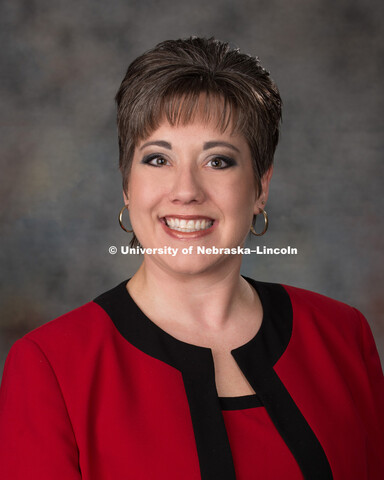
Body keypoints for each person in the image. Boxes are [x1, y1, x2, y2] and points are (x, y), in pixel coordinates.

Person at [0, 37, 383, 480]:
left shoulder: (342, 336)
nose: (186, 191)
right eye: (158, 158)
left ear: (261, 187)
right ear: (127, 186)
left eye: (218, 161)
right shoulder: (50, 365)